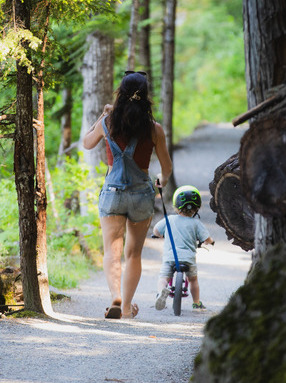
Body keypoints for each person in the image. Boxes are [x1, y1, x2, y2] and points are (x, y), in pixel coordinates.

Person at [82, 71, 172, 319]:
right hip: (142, 194)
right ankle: (127, 307)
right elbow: (166, 168)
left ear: (120, 93)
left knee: (112, 250)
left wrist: (103, 116)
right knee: (133, 253)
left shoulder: (108, 123)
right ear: (146, 98)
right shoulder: (154, 129)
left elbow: (87, 143)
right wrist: (161, 181)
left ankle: (115, 297)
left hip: (112, 193)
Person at [152, 185, 214, 311]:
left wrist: (158, 235)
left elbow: (156, 230)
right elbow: (207, 238)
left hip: (170, 258)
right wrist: (210, 242)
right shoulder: (196, 223)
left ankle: (161, 293)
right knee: (193, 280)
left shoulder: (169, 219)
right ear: (197, 208)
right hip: (188, 259)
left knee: (163, 278)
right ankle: (196, 303)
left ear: (176, 206)